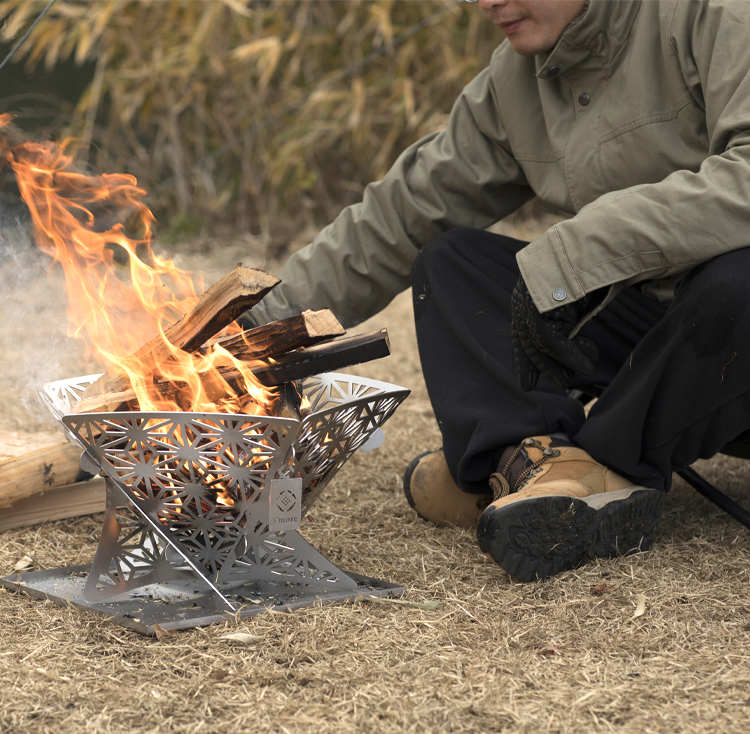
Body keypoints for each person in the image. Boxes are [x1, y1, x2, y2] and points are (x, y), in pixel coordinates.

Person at [242, 0, 750, 581]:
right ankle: (531, 463)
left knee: (739, 279)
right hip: (657, 329)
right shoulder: (519, 77)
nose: (487, 3)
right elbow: (404, 213)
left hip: (735, 336)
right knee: (452, 262)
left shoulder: (716, 14)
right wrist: (253, 328)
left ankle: (595, 467)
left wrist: (580, 251)